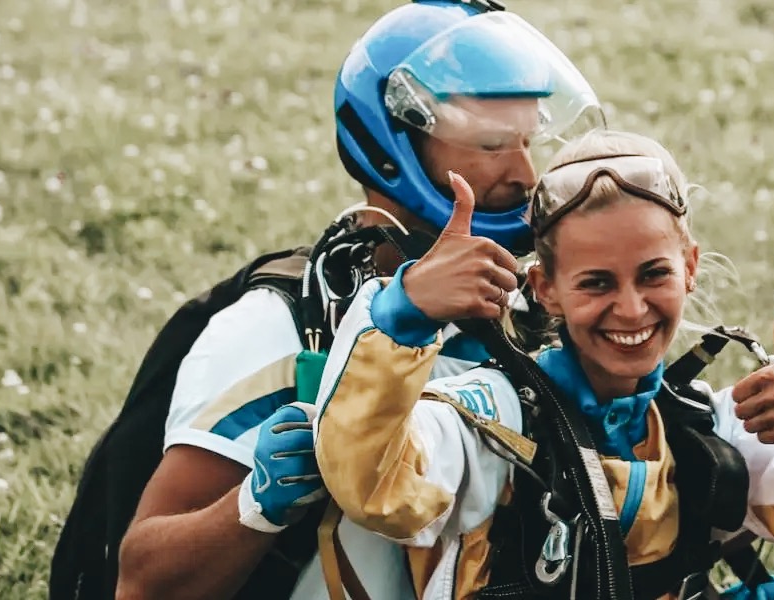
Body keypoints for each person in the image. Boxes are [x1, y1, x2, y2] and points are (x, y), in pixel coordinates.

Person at [112, 2, 606, 598]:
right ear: (393, 148)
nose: (526, 173)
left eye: (528, 140)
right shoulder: (280, 330)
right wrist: (253, 506)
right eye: (493, 143)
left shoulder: (527, 315)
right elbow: (141, 583)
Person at [310, 129, 774, 599]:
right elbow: (373, 483)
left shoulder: (702, 426)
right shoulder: (492, 422)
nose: (631, 309)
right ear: (545, 289)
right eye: (596, 282)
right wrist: (405, 312)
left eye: (653, 275)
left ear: (690, 267)